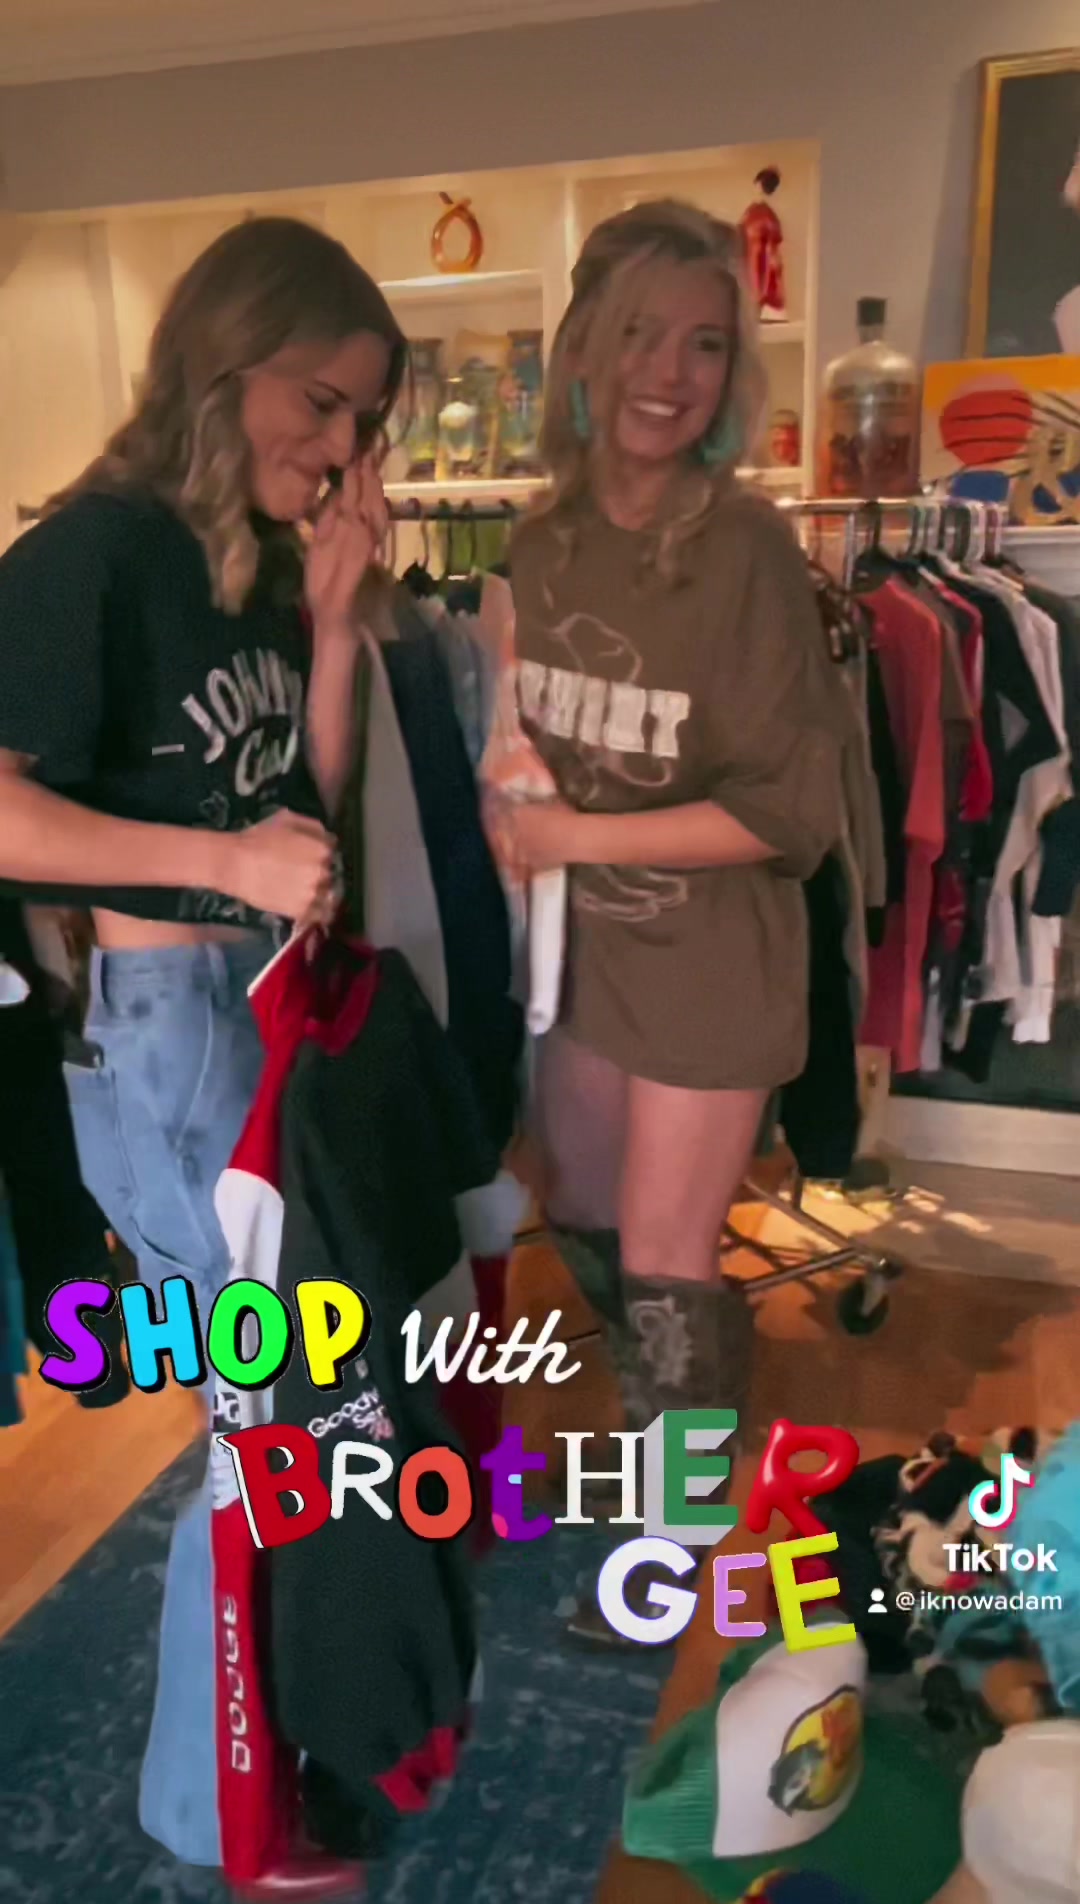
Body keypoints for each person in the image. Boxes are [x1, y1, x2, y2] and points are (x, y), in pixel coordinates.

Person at [0, 215, 404, 1867]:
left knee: (295, 1403)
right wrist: (219, 865)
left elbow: (298, 808)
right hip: (165, 1039)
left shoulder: (245, 561)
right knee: (265, 1422)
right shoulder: (90, 555)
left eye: (364, 420)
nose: (342, 447)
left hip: (257, 1011)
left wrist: (334, 624)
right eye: (323, 403)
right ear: (224, 363)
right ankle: (210, 1797)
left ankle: (255, 1752)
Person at [489, 200, 845, 1644]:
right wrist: (512, 767)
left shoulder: (746, 550)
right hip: (581, 958)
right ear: (584, 347)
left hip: (709, 965)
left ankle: (679, 1532)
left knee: (666, 1264)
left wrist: (573, 835)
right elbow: (530, 715)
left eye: (705, 343)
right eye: (641, 333)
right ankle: (686, 1398)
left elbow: (788, 815)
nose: (670, 372)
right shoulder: (543, 540)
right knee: (579, 1211)